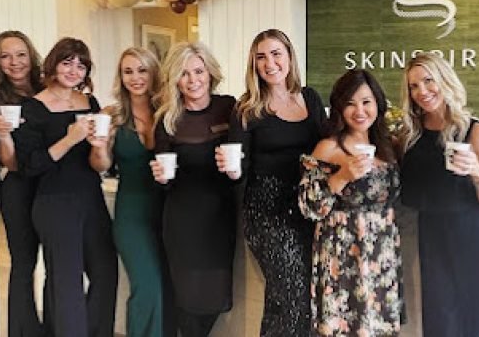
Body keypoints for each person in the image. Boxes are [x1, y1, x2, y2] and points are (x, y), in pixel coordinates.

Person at [398, 52, 479, 337]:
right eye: (414, 86)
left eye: (428, 80)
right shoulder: (409, 135)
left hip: (478, 243)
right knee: (441, 326)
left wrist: (477, 171)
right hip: (434, 242)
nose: (422, 91)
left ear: (444, 80)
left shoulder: (477, 132)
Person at [13, 37, 117, 337]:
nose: (74, 71)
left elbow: (99, 164)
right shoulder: (33, 107)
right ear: (53, 65)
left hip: (90, 197)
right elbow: (30, 165)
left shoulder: (90, 104)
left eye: (81, 65)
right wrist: (70, 139)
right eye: (67, 62)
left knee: (105, 272)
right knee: (65, 282)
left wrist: (100, 146)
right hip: (53, 201)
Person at [229, 29, 326, 336]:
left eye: (276, 54)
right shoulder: (247, 108)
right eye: (261, 57)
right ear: (254, 64)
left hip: (307, 208)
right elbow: (238, 168)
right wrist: (230, 170)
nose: (269, 63)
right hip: (266, 211)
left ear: (289, 57)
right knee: (292, 294)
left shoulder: (310, 98)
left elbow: (328, 146)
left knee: (293, 296)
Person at [299, 69, 404, 336]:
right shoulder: (328, 148)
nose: (359, 111)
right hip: (342, 253)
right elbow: (309, 207)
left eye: (366, 102)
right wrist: (343, 176)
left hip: (381, 254)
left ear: (378, 104)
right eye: (350, 103)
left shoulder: (390, 147)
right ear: (339, 108)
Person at [149, 42, 237, 337]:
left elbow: (245, 156)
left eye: (198, 71)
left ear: (210, 73)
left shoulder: (228, 108)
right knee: (186, 304)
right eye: (184, 74)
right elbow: (163, 177)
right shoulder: (167, 119)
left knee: (214, 300)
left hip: (219, 221)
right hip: (182, 221)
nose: (192, 80)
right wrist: (161, 178)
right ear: (174, 79)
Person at [90, 47, 176, 337]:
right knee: (146, 287)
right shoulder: (111, 116)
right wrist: (99, 146)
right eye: (128, 71)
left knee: (166, 288)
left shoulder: (170, 112)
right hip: (132, 214)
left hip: (169, 211)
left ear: (154, 73)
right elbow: (100, 165)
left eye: (142, 70)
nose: (135, 77)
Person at [0, 31, 48, 337]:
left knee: (57, 262)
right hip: (19, 189)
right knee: (24, 264)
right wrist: (3, 136)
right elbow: (10, 163)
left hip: (53, 186)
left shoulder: (48, 88)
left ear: (31, 56)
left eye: (21, 54)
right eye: (5, 56)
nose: (15, 62)